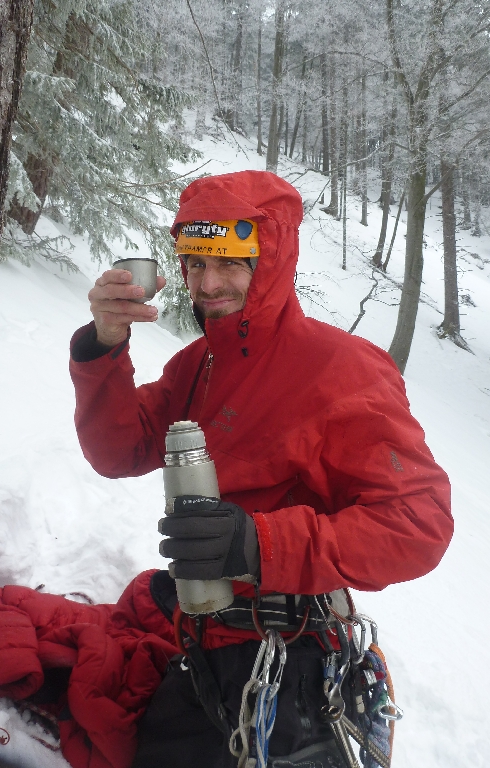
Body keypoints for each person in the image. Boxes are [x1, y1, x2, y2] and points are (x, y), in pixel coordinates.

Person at [69, 170, 453, 767]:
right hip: (205, 644)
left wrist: (259, 544)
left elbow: (419, 523)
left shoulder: (342, 369)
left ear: (269, 260)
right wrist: (104, 344)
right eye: (197, 263)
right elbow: (119, 450)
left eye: (231, 263)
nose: (208, 283)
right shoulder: (199, 364)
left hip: (292, 661)